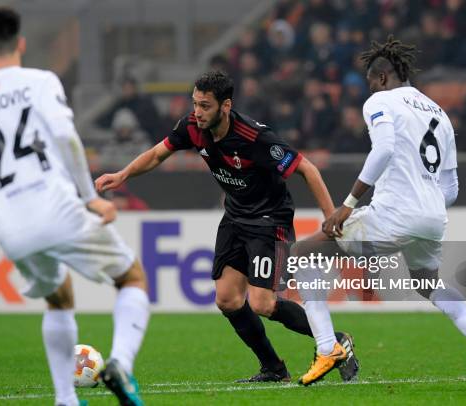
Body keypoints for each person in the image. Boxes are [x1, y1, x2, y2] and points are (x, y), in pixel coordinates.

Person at [95, 70, 359, 383]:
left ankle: (336, 341)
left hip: (269, 220)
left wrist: (331, 219)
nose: (197, 112)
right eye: (195, 103)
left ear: (226, 106)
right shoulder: (192, 127)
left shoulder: (255, 138)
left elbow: (309, 170)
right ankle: (274, 368)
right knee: (228, 300)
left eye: (205, 105)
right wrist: (123, 174)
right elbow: (157, 154)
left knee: (263, 303)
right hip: (235, 216)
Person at [0, 7, 148, 406]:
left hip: (11, 228)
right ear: (20, 43)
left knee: (58, 297)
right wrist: (90, 197)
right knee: (132, 278)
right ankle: (120, 362)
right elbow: (66, 136)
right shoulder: (39, 81)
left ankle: (65, 399)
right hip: (56, 208)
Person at [297, 36, 466, 388]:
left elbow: (382, 150)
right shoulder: (439, 112)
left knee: (302, 253)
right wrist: (426, 209)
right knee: (428, 283)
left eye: (369, 82)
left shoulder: (380, 100)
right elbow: (451, 187)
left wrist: (347, 206)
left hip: (394, 215)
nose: (369, 89)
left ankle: (327, 348)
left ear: (381, 78)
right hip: (433, 218)